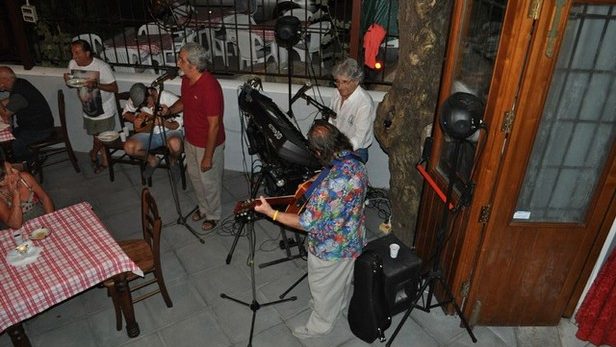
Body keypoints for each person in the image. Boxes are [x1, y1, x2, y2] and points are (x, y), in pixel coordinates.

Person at [254, 120, 368, 338]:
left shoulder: (328, 189)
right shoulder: (356, 162)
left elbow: (306, 223)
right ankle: (337, 306)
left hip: (330, 248)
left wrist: (272, 213)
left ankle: (320, 324)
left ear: (319, 150)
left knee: (322, 286)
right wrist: (316, 179)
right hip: (353, 238)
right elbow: (337, 174)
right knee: (341, 281)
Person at [161, 43, 225, 231]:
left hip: (208, 144)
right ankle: (204, 208)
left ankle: (214, 214)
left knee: (209, 181)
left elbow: (214, 125)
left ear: (193, 65)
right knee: (195, 177)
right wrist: (170, 110)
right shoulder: (186, 80)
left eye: (181, 59)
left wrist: (208, 155)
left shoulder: (209, 88)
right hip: (190, 139)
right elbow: (185, 101)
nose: (178, 62)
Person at [64, 39, 119, 174]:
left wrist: (96, 85)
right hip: (87, 107)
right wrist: (68, 81)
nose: (74, 56)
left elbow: (114, 88)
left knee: (101, 137)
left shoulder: (102, 67)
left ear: (87, 53)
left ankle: (96, 155)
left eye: (77, 53)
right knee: (96, 135)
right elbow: (73, 83)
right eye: (73, 52)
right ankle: (101, 157)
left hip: (104, 109)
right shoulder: (72, 64)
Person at [122, 83, 183, 179]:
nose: (148, 106)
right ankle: (153, 160)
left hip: (170, 131)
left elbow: (176, 125)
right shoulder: (137, 98)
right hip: (149, 132)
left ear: (150, 92)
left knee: (175, 144)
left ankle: (173, 162)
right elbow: (126, 113)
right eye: (144, 105)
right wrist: (135, 119)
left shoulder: (168, 97)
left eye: (147, 102)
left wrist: (164, 123)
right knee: (129, 148)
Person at [0, 66, 54, 165]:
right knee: (7, 140)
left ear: (5, 80)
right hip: (33, 126)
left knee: (13, 145)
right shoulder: (20, 83)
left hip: (39, 130)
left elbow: (5, 115)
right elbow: (10, 101)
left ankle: (31, 161)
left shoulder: (19, 94)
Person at [329, 57, 376, 163]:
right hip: (336, 146)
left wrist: (339, 153)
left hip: (356, 150)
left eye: (345, 82)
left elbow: (359, 138)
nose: (340, 87)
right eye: (337, 81)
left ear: (356, 81)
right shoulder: (336, 93)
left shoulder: (364, 103)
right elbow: (331, 121)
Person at [0, 156, 54, 229]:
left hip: (42, 219)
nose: (17, 171)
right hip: (20, 230)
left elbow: (45, 198)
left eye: (13, 167)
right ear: (2, 182)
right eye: (11, 171)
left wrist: (50, 219)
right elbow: (15, 225)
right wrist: (15, 194)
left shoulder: (25, 178)